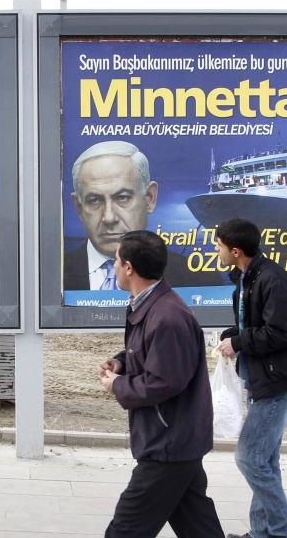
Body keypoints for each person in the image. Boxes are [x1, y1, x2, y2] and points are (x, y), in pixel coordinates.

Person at [97, 230, 225, 538]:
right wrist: (122, 362)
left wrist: (117, 385)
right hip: (177, 440)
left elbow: (164, 381)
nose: (113, 266)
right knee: (199, 529)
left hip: (168, 443)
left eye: (115, 260)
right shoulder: (151, 305)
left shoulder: (166, 316)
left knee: (125, 530)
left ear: (129, 267)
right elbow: (157, 357)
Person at [214, 218, 287, 538]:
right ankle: (262, 533)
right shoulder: (247, 280)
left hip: (277, 383)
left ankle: (285, 531)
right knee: (265, 462)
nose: (216, 249)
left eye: (219, 245)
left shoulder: (273, 280)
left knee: (249, 459)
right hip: (260, 379)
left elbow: (280, 333)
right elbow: (253, 326)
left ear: (236, 250)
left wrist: (239, 342)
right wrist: (233, 336)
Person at [65, 141, 222, 291]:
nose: (109, 218)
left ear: (150, 198)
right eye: (94, 200)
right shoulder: (51, 275)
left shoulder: (200, 280)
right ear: (79, 208)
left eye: (122, 198)